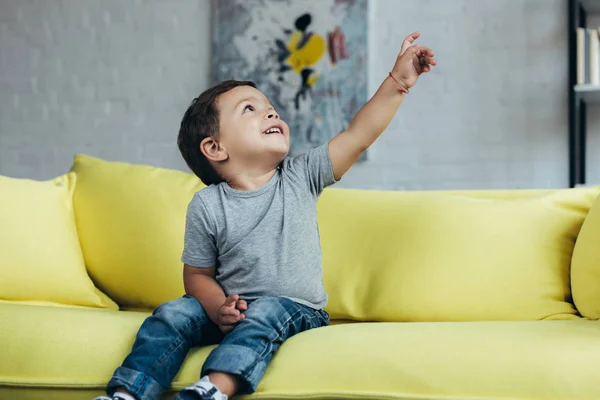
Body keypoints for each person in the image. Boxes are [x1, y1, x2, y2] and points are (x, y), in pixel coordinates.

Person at [95, 32, 435, 400]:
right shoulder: (207, 206)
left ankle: (212, 390)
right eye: (249, 109)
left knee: (267, 310)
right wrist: (218, 307)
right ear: (215, 148)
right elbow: (196, 276)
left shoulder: (301, 176)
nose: (270, 111)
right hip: (233, 311)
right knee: (173, 313)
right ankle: (128, 393)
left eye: (269, 106)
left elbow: (358, 135)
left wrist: (399, 82)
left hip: (295, 310)